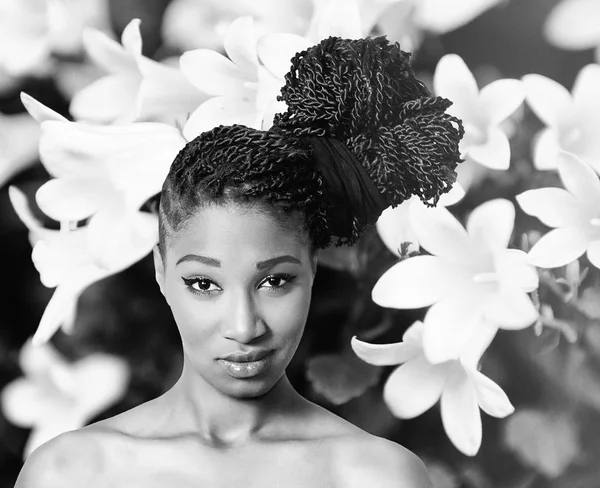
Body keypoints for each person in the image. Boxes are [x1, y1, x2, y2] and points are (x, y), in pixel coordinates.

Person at [15, 36, 463, 487]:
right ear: (161, 272)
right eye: (204, 284)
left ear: (313, 268)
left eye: (275, 281)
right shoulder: (67, 473)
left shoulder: (380, 478)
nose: (244, 327)